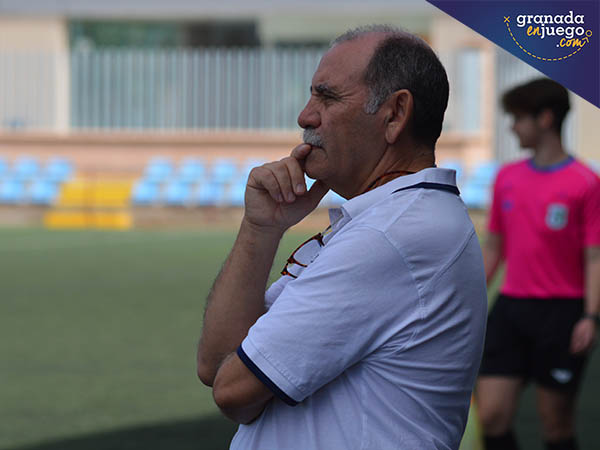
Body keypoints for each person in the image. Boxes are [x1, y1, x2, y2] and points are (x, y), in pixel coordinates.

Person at [197, 24, 488, 450]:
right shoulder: (396, 222)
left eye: (327, 97)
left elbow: (234, 393)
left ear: (395, 114)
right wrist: (261, 228)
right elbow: (214, 364)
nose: (305, 116)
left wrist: (237, 378)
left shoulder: (391, 236)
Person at [476, 78, 600, 450]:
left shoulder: (586, 183)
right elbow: (494, 247)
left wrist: (591, 316)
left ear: (545, 119)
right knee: (492, 416)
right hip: (511, 309)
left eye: (518, 118)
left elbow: (594, 256)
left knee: (555, 425)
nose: (512, 127)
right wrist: (466, 299)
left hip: (562, 314)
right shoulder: (506, 178)